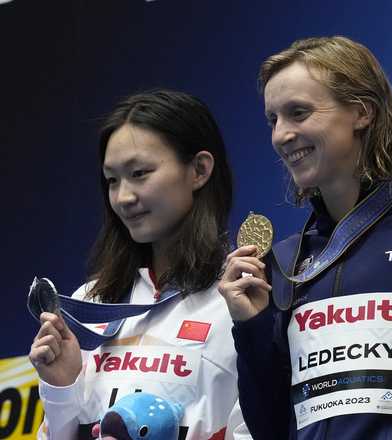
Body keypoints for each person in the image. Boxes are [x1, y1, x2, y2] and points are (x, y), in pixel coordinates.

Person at [218, 36, 392, 439]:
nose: (281, 135)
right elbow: (271, 428)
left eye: (298, 113)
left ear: (362, 113)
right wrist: (253, 327)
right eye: (273, 119)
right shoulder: (286, 261)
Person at [28, 90, 250, 439]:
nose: (123, 197)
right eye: (112, 180)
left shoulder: (238, 299)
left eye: (140, 173)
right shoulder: (91, 302)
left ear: (200, 170)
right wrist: (60, 389)